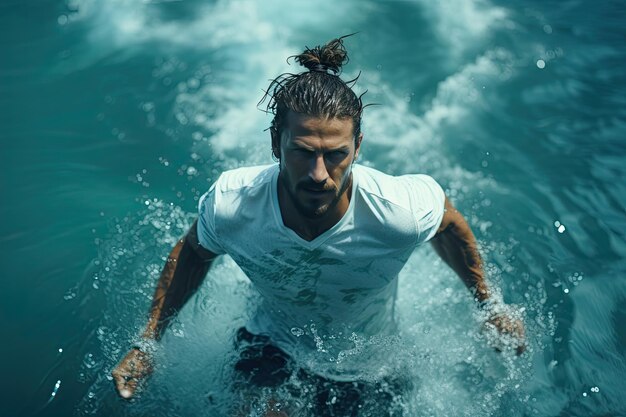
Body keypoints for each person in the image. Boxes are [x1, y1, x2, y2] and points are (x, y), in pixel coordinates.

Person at [112, 35, 525, 416]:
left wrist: (488, 305)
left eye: (336, 154)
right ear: (276, 143)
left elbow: (449, 224)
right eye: (303, 152)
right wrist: (148, 343)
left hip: (369, 365)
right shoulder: (233, 205)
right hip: (269, 347)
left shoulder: (397, 212)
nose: (319, 174)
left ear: (358, 146)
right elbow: (193, 251)